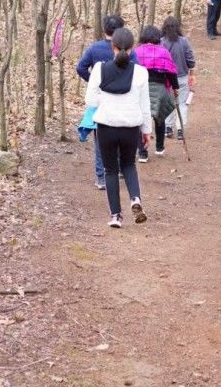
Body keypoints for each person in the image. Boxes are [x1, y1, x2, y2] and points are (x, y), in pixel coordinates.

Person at [85, 27, 152, 228]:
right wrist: (146, 131)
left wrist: (105, 100)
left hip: (106, 125)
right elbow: (145, 106)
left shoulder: (99, 69)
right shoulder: (140, 73)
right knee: (129, 165)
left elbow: (90, 100)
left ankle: (116, 216)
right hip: (130, 127)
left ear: (112, 46)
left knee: (110, 169)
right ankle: (135, 199)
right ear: (133, 48)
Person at [76, 14, 137, 190]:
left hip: (101, 98)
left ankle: (102, 177)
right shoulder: (128, 51)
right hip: (124, 97)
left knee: (101, 139)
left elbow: (80, 67)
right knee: (121, 130)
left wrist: (93, 82)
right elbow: (138, 70)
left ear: (104, 30)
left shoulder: (94, 49)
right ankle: (117, 169)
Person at [135, 25, 180, 157]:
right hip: (160, 88)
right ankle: (159, 148)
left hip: (141, 89)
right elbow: (171, 72)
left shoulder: (137, 52)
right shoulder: (164, 52)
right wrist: (175, 87)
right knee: (160, 118)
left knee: (142, 120)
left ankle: (143, 153)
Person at [160, 16, 195, 140]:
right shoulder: (184, 41)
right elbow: (190, 58)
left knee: (168, 103)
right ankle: (180, 130)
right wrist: (191, 71)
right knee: (182, 104)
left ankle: (168, 128)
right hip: (182, 76)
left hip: (166, 79)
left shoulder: (161, 42)